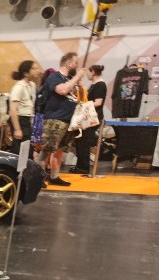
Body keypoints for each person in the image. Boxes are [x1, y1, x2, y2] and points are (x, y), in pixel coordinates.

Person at [39, 52, 86, 186]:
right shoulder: (55, 77)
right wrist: (77, 77)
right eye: (76, 63)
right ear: (69, 63)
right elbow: (62, 90)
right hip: (55, 119)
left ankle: (54, 176)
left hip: (68, 120)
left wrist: (79, 82)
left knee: (60, 150)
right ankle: (38, 177)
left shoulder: (70, 79)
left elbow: (80, 95)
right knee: (47, 149)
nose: (77, 66)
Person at [73, 64, 107, 174]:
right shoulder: (94, 85)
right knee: (80, 140)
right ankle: (81, 165)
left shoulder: (100, 85)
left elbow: (98, 102)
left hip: (93, 117)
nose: (87, 74)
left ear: (93, 72)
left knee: (84, 141)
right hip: (87, 116)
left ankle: (83, 167)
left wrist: (84, 104)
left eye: (88, 72)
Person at [8, 60, 39, 156]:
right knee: (19, 149)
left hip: (28, 119)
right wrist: (17, 129)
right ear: (26, 73)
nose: (37, 71)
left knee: (27, 150)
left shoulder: (32, 85)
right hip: (20, 119)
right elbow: (13, 110)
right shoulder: (19, 87)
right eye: (34, 69)